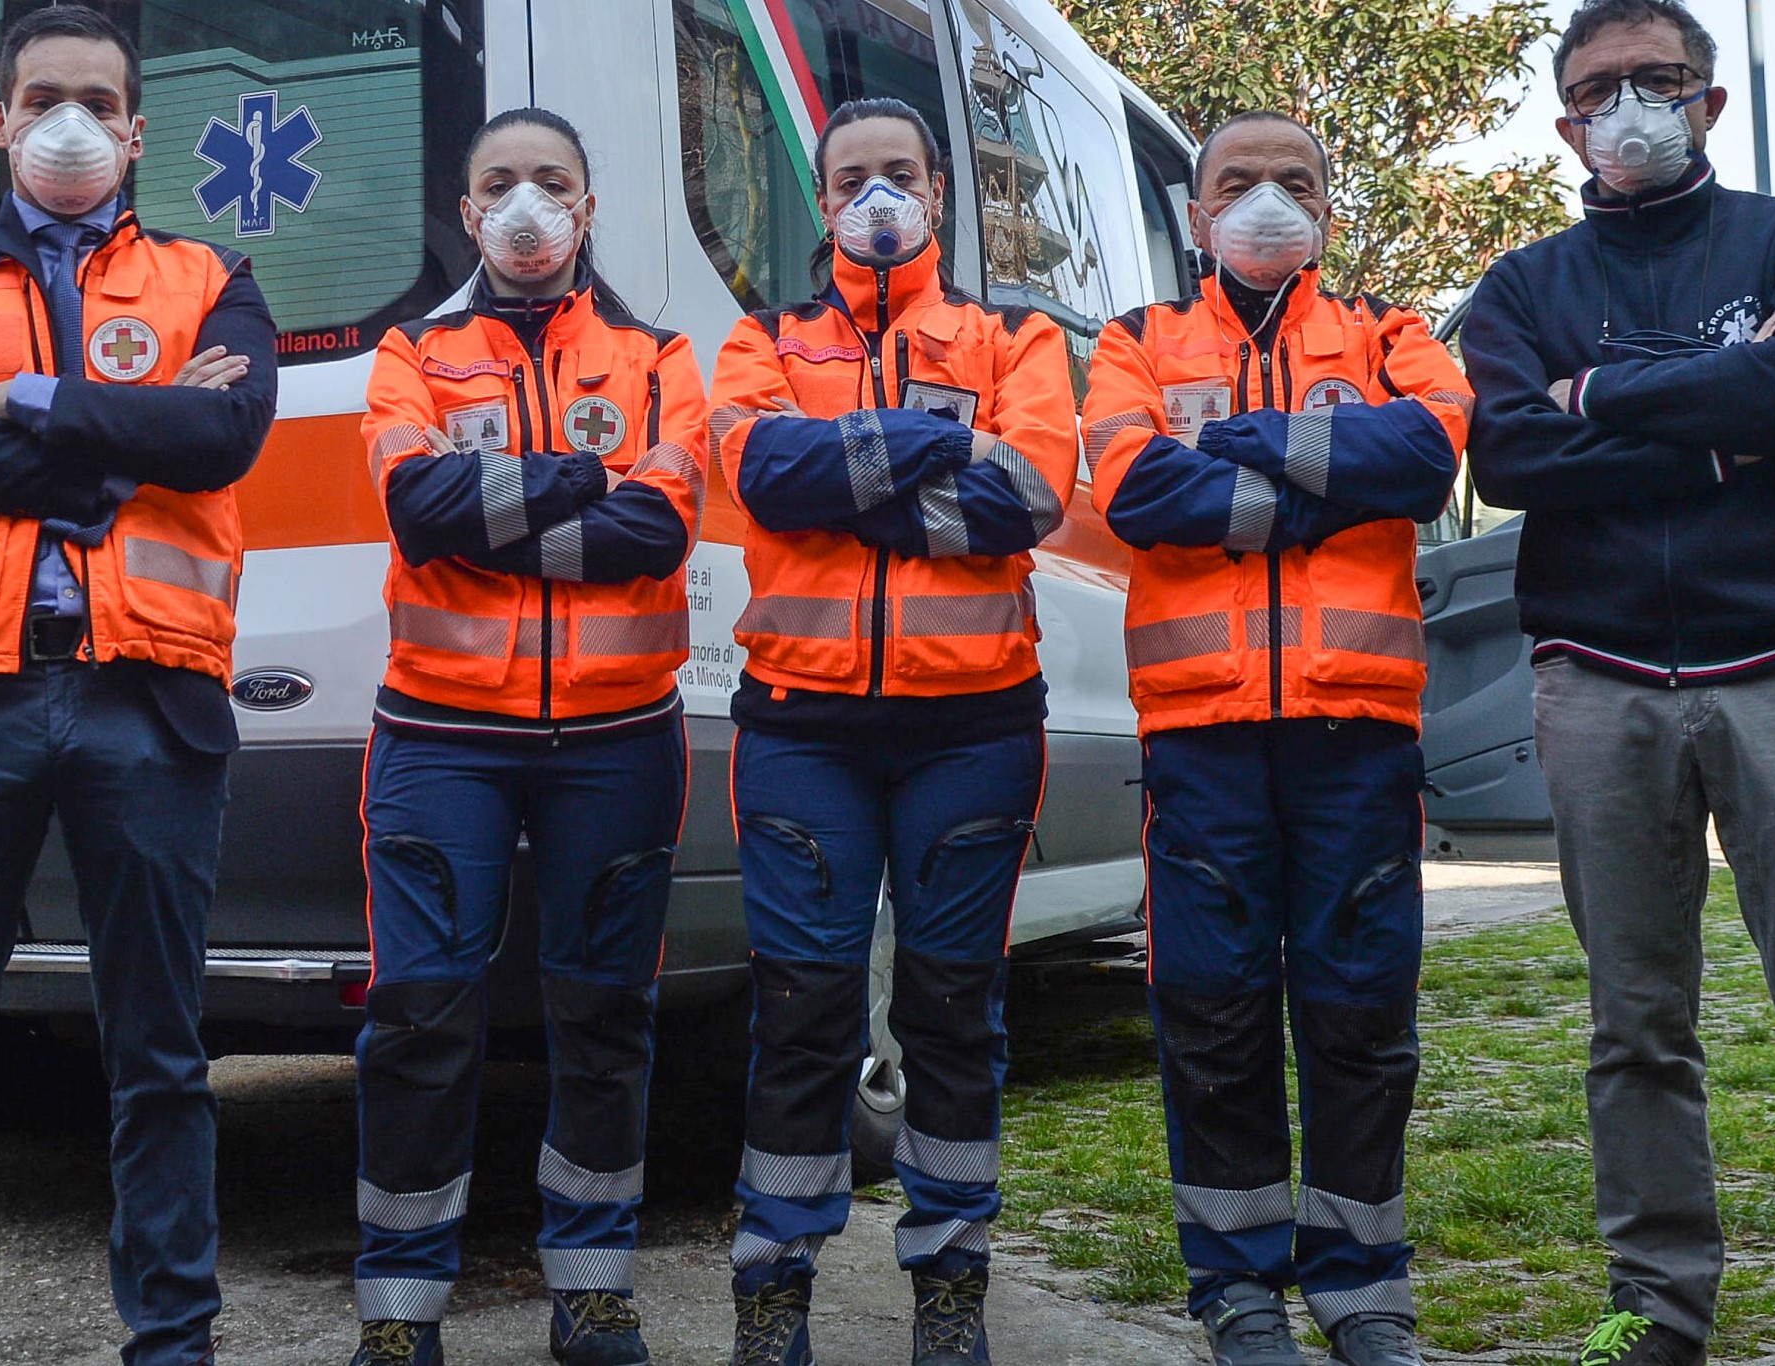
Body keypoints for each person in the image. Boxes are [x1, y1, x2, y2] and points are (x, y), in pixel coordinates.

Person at [1462, 4, 1775, 1364]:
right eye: (1597, 91)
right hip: (1598, 678)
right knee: (1635, 1021)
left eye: (1657, 82)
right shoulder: (1520, 288)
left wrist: (1596, 397)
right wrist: (1700, 410)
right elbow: (1505, 456)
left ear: (1710, 101)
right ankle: (1659, 1300)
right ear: (1564, 123)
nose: (1628, 110)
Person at [0, 6, 275, 1364]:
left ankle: (173, 1340)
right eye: (45, 96)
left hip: (151, 700)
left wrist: (15, 403)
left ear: (139, 131)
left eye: (99, 100)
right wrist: (126, 439)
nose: (71, 121)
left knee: (161, 1055)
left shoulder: (212, 270)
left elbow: (230, 428)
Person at [1082, 110, 1467, 1366]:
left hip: (1354, 733)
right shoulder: (1134, 340)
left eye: (1291, 182)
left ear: (1327, 211)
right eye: (1234, 182)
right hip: (1201, 738)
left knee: (1360, 1015)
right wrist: (1321, 481)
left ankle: (1361, 1286)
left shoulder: (1390, 335)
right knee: (1213, 1012)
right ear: (1193, 215)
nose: (1263, 202)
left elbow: (1422, 455)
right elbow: (1135, 490)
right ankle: (1236, 1287)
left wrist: (1241, 445)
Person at [707, 96, 1076, 1366]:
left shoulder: (1015, 335)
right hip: (803, 719)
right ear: (822, 202)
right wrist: (934, 444)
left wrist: (841, 480)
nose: (877, 195)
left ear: (936, 192)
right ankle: (773, 1281)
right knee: (803, 1003)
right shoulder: (758, 339)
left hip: (971, 722)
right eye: (851, 176)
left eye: (899, 174)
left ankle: (950, 1279)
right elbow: (758, 474)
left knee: (950, 1004)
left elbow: (1026, 493)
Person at [344, 107, 711, 1366]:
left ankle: (593, 1289)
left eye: (549, 182)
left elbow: (656, 533)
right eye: (498, 183)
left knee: (604, 1013)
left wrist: (492, 515)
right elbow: (414, 506)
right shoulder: (406, 352)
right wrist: (576, 480)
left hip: (616, 737)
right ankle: (399, 1310)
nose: (524, 205)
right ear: (465, 212)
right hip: (439, 734)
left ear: (587, 207)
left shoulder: (662, 357)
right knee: (419, 1014)